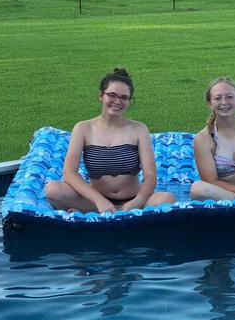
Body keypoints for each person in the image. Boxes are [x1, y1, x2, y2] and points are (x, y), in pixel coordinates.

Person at [45, 68, 175, 213]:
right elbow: (69, 173)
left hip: (133, 199)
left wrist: (137, 202)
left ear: (129, 100)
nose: (117, 101)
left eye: (124, 97)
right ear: (101, 95)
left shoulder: (139, 129)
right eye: (112, 95)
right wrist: (99, 200)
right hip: (94, 199)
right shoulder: (83, 128)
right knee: (53, 189)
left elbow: (150, 175)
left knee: (166, 199)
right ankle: (107, 209)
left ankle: (98, 211)